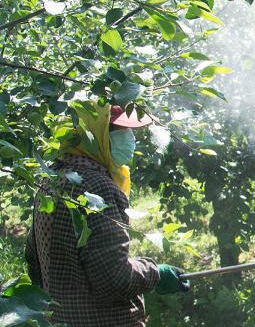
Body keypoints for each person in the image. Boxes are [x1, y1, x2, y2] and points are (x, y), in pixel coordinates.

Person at [25, 103, 190, 327]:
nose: (129, 138)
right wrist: (156, 273)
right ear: (96, 136)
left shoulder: (51, 178)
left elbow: (34, 260)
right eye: (120, 132)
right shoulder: (96, 187)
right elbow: (114, 280)